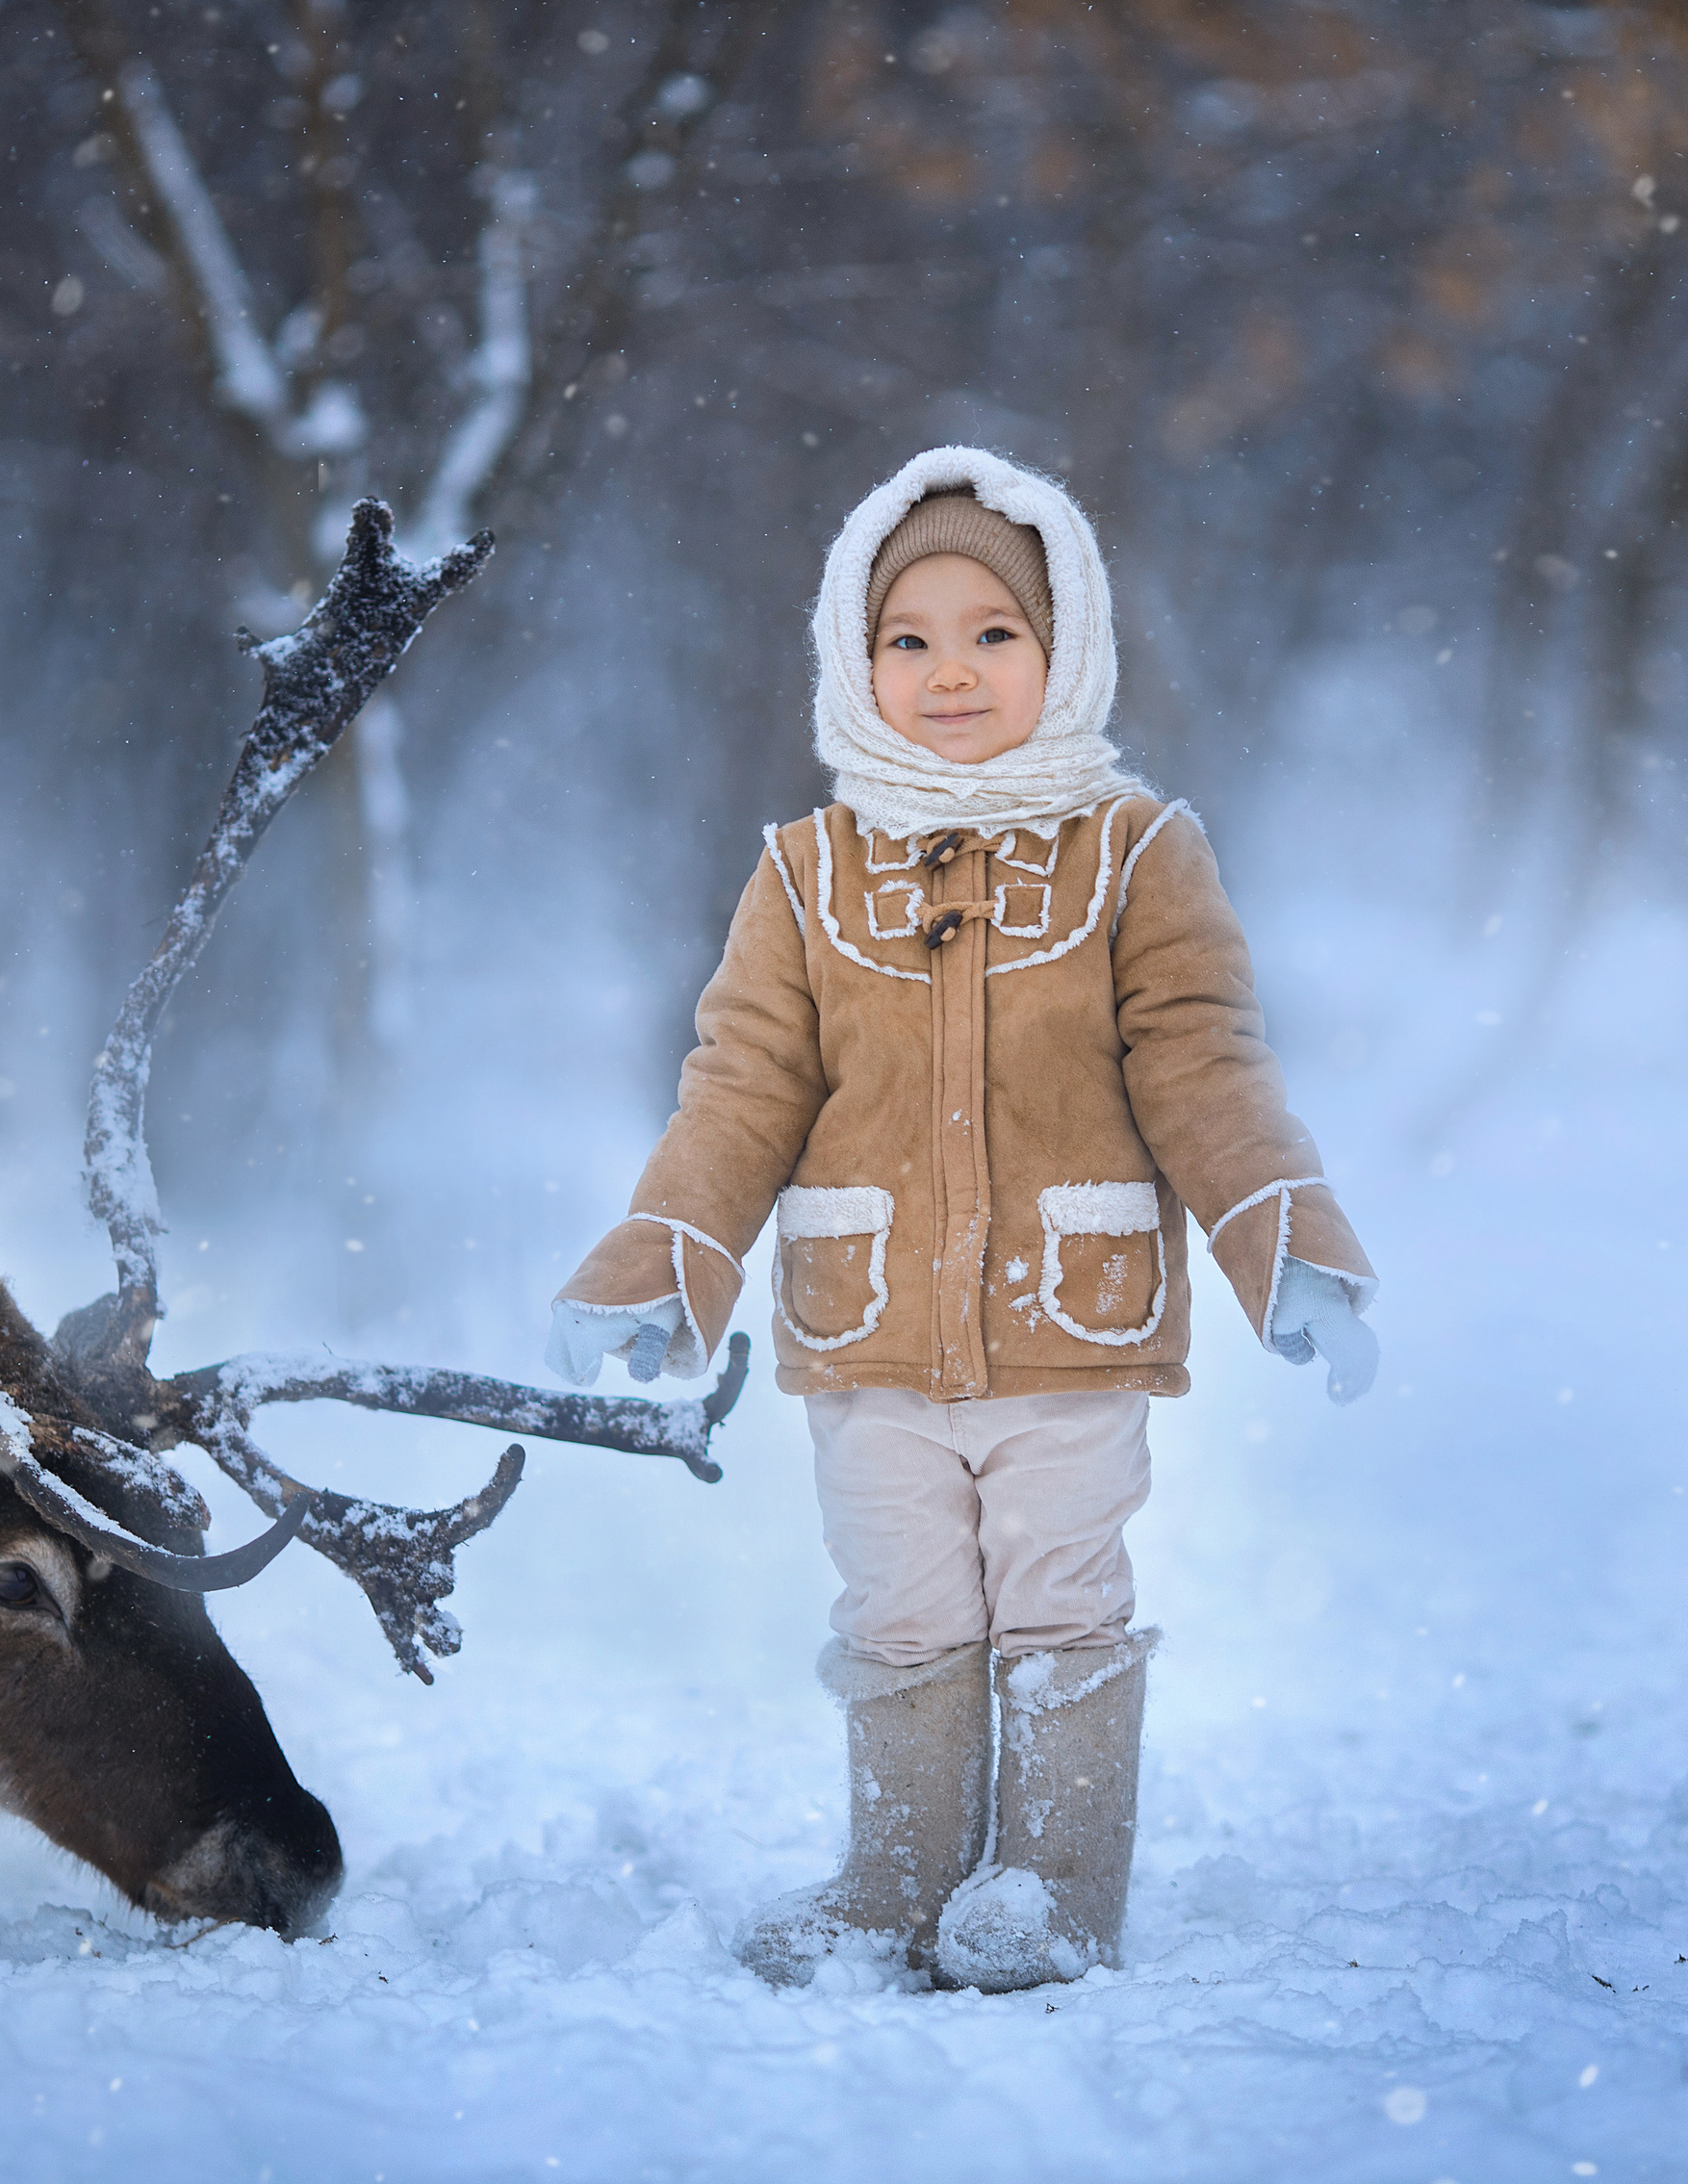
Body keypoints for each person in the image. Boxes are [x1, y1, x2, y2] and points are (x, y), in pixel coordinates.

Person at [545, 448, 1378, 1992]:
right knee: (906, 1604)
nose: (949, 671)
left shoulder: (1136, 856)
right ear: (853, 664)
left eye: (994, 631)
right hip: (868, 1334)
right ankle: (899, 1883)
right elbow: (739, 1092)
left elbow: (1206, 1065)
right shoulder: (803, 878)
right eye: (906, 636)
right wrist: (660, 1257)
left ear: (1067, 650)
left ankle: (1053, 1893)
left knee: (1060, 1595)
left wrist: (1284, 1235)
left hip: (1072, 1326)